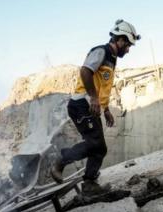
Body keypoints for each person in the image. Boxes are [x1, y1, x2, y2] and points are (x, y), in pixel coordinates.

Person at [51, 19, 140, 195]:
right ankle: (61, 161)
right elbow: (85, 71)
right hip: (81, 104)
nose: (128, 50)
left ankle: (90, 184)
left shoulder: (112, 60)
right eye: (128, 45)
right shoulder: (101, 51)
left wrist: (106, 109)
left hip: (90, 106)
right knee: (94, 144)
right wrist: (93, 98)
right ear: (120, 40)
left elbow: (103, 85)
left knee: (100, 147)